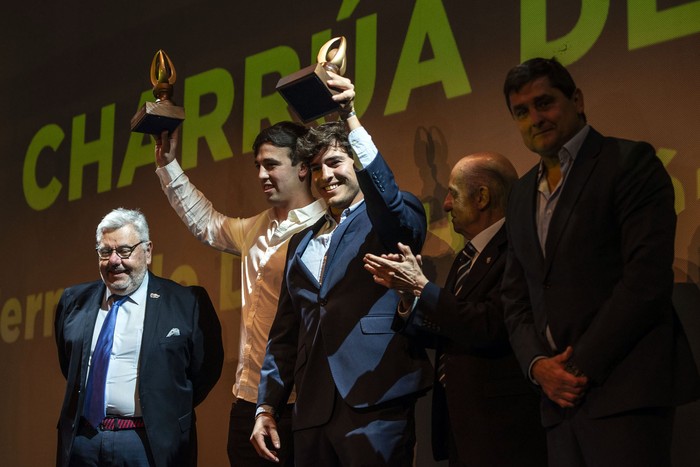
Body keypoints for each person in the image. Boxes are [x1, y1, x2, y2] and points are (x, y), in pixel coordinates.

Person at [500, 57, 700, 466]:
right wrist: (539, 366)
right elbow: (516, 298)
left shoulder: (629, 162)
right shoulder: (520, 194)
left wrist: (574, 368)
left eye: (545, 103)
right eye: (522, 112)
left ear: (576, 100)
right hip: (557, 405)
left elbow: (645, 280)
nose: (535, 118)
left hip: (624, 390)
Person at [250, 72, 432, 466]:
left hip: (375, 397)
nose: (325, 176)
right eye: (315, 168)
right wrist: (266, 406)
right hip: (313, 412)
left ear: (357, 163)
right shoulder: (299, 243)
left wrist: (351, 119)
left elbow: (398, 220)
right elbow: (285, 334)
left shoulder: (387, 214)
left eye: (335, 162)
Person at [154, 121, 326, 466]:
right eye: (258, 166)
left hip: (299, 400)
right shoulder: (256, 228)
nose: (262, 175)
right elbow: (206, 223)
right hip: (247, 399)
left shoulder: (327, 226)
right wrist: (167, 164)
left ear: (303, 167)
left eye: (272, 165)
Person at [363, 152, 547, 466]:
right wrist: (409, 298)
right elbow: (450, 328)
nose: (446, 204)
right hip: (463, 426)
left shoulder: (518, 246)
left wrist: (422, 286)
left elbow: (491, 325)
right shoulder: (467, 257)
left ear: (483, 197)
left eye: (454, 193)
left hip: (504, 429)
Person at [55, 208, 224, 467]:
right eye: (105, 252)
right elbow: (71, 366)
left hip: (148, 443)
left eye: (124, 251)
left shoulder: (186, 302)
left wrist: (164, 404)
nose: (113, 260)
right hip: (84, 441)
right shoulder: (73, 301)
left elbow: (205, 371)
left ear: (147, 251)